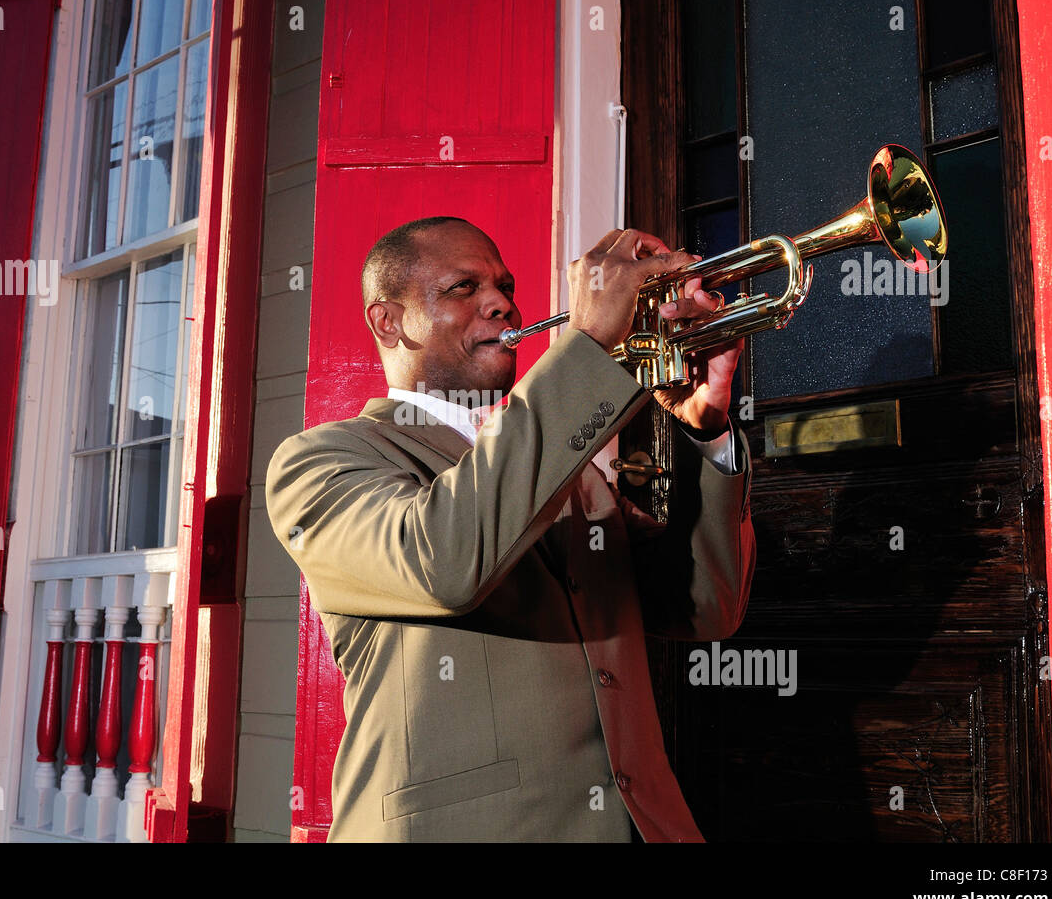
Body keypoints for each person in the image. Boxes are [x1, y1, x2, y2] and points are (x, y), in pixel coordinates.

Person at [266, 216, 756, 841]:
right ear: (388, 322)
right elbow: (444, 560)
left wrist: (704, 431)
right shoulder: (320, 461)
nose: (501, 302)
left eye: (504, 285)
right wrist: (586, 344)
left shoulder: (569, 473)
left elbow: (706, 609)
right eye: (462, 288)